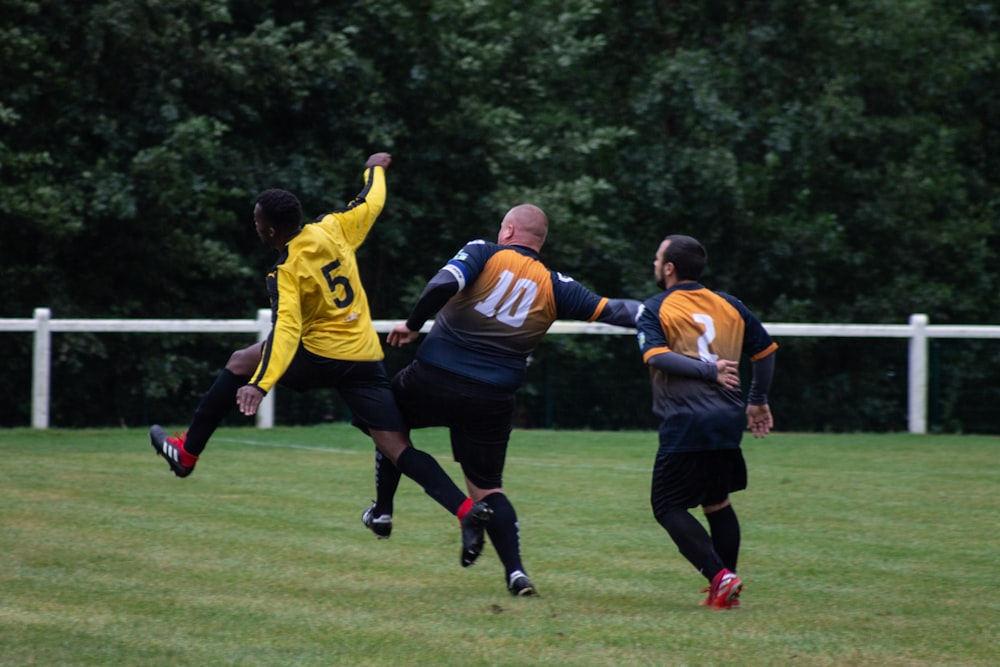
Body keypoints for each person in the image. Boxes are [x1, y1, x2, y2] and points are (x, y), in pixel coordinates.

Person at [149, 152, 491, 566]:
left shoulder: (288, 268)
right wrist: (375, 168)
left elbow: (287, 330)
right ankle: (466, 512)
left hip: (319, 355)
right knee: (397, 447)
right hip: (364, 357)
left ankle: (186, 454)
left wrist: (260, 384)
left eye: (256, 221)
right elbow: (371, 202)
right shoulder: (333, 228)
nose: (255, 225)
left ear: (269, 229)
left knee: (241, 361)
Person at [367, 203, 641, 596]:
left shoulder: (483, 252)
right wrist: (661, 311)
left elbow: (443, 285)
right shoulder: (556, 285)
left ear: (509, 231)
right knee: (488, 488)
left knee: (388, 422)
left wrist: (413, 325)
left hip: (435, 377)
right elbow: (616, 311)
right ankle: (516, 573)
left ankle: (383, 512)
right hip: (491, 397)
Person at [635, 233, 776, 610]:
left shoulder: (656, 307)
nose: (653, 264)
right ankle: (724, 592)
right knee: (716, 502)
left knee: (666, 505)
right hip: (727, 420)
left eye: (656, 258)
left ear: (669, 268)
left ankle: (719, 576)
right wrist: (757, 400)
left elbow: (656, 356)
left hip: (685, 419)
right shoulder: (730, 305)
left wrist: (707, 369)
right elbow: (765, 351)